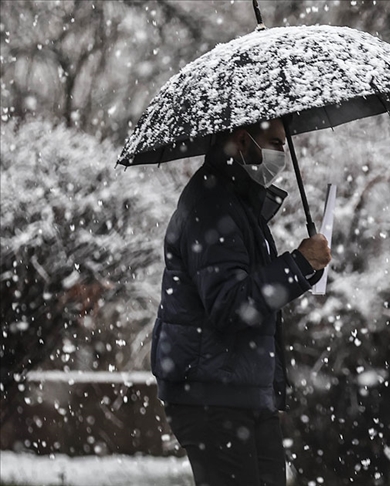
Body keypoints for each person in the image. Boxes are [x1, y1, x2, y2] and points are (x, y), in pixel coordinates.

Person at [150, 117, 331, 486]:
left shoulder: (236, 201)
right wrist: (296, 265)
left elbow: (247, 292)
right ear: (242, 139)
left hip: (238, 392)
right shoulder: (214, 204)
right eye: (275, 142)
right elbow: (230, 305)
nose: (281, 153)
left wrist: (306, 268)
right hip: (214, 396)